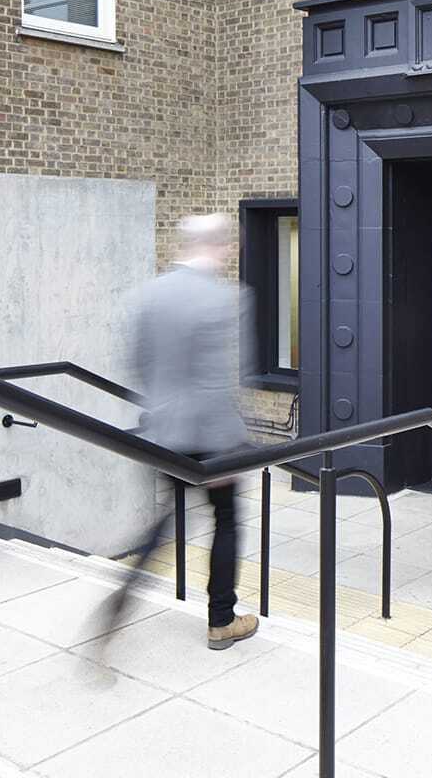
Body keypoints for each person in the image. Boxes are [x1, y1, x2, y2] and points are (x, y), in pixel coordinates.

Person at [106, 213, 259, 650]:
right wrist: (229, 444)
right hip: (211, 437)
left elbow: (136, 362)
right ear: (222, 246)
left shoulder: (149, 295)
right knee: (225, 519)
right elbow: (225, 377)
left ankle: (123, 594)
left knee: (167, 520)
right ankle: (221, 620)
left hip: (163, 432)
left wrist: (164, 412)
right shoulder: (227, 298)